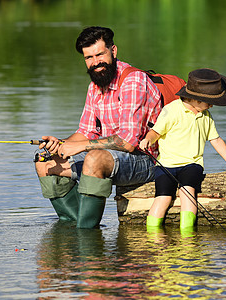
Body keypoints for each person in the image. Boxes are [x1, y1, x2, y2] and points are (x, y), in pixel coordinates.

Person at [35, 26, 162, 228]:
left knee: (94, 158)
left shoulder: (133, 80)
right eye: (89, 58)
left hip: (147, 162)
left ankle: (87, 237)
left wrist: (83, 146)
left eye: (99, 54)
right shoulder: (94, 86)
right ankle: (75, 225)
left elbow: (128, 143)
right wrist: (60, 144)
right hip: (108, 157)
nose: (95, 63)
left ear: (113, 50)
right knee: (45, 162)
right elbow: (85, 132)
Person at [139, 68, 226, 231]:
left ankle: (187, 236)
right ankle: (153, 236)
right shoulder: (172, 110)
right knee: (163, 198)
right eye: (207, 101)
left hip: (191, 164)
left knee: (187, 193)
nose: (210, 105)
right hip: (166, 166)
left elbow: (216, 140)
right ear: (193, 98)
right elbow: (156, 132)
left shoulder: (206, 116)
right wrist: (147, 139)